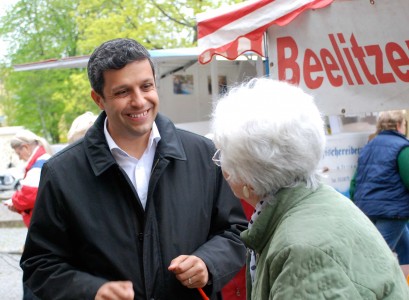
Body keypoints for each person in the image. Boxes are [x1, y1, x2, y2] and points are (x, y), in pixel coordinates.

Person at [20, 38, 247, 300]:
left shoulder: (203, 155)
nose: (139, 101)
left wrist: (208, 262)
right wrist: (92, 291)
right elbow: (40, 265)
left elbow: (235, 232)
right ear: (99, 99)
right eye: (122, 92)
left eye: (146, 86)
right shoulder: (62, 173)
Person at [210, 78, 409, 299]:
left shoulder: (300, 250)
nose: (222, 167)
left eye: (222, 154)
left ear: (249, 175)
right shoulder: (317, 202)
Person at [351, 110, 409, 265]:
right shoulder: (402, 147)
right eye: (404, 124)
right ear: (398, 125)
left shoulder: (368, 147)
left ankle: (404, 287)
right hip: (392, 212)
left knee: (405, 249)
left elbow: (354, 183)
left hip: (367, 209)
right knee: (376, 258)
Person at [3, 129, 52, 227]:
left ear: (25, 147)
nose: (20, 158)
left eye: (18, 153)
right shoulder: (43, 159)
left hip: (43, 226)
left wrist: (14, 201)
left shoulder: (39, 164)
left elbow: (28, 195)